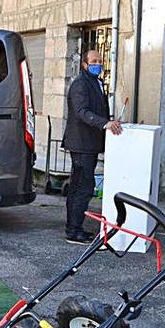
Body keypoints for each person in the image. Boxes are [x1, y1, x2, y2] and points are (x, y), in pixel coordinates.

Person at [62, 50, 122, 245]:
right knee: (83, 187)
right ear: (85, 65)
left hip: (90, 144)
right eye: (94, 61)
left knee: (82, 186)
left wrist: (109, 121)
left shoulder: (95, 82)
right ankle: (74, 231)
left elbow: (96, 110)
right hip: (81, 143)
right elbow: (81, 111)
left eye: (100, 61)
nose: (98, 64)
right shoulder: (81, 84)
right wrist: (105, 123)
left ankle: (75, 227)